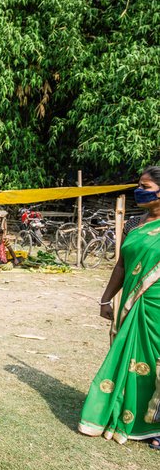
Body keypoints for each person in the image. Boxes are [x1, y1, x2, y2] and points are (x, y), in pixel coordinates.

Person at [78, 165, 160, 449]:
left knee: (155, 361)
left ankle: (154, 424)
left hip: (157, 305)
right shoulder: (135, 225)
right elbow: (122, 265)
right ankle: (120, 412)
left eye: (145, 187)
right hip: (132, 302)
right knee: (129, 358)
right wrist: (105, 298)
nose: (139, 191)